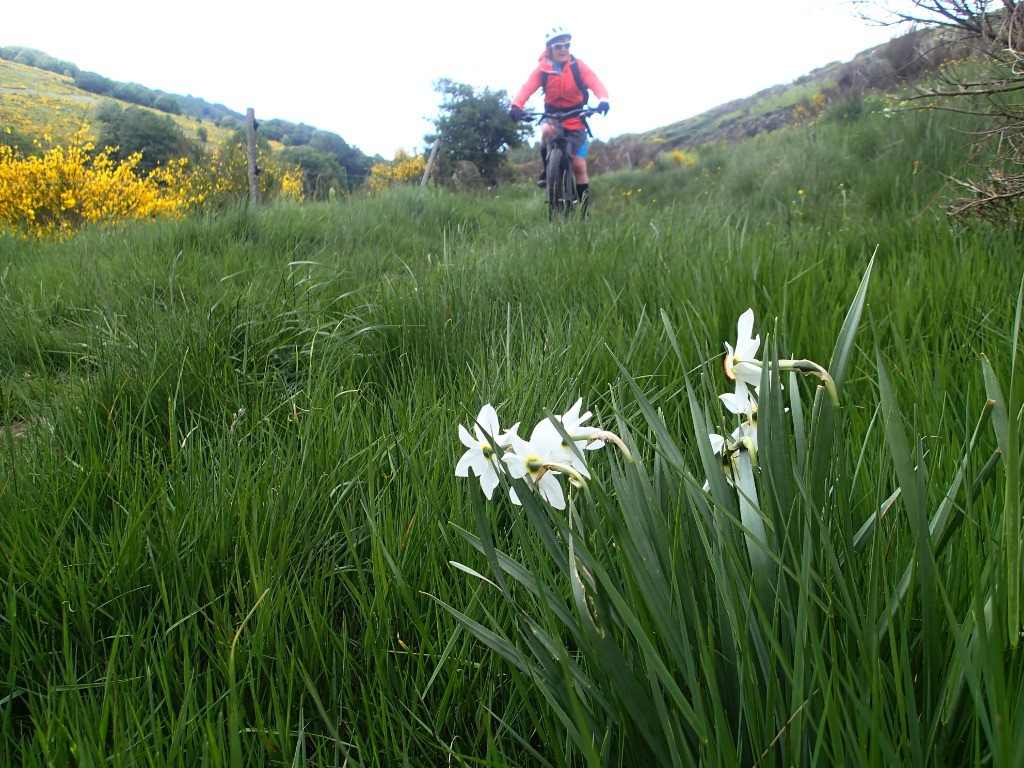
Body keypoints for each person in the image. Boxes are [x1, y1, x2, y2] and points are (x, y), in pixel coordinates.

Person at [509, 25, 610, 215]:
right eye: (558, 46)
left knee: (579, 166)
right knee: (546, 130)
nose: (563, 49)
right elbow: (527, 88)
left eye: (567, 45)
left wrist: (603, 100)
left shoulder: (578, 66)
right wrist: (516, 106)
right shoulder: (543, 69)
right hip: (553, 115)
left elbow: (595, 83)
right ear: (550, 49)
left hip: (577, 118)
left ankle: (585, 212)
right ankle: (549, 170)